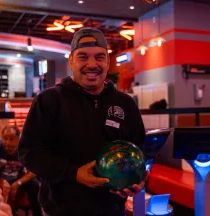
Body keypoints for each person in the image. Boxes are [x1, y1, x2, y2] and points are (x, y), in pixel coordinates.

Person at [18, 27, 147, 216]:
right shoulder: (49, 100)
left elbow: (139, 150)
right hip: (61, 210)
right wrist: (73, 173)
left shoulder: (125, 103)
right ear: (71, 60)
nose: (92, 64)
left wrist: (138, 180)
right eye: (83, 57)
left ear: (108, 62)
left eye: (100, 57)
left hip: (112, 209)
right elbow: (29, 153)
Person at [0, 125, 42, 216]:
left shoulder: (25, 150)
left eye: (12, 139)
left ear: (19, 139)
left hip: (20, 179)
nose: (7, 143)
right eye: (5, 139)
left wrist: (17, 183)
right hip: (1, 179)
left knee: (36, 185)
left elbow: (33, 171)